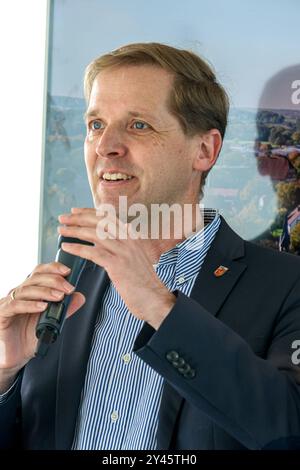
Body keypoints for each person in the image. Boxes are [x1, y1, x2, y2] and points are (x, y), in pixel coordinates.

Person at [0, 42, 300, 450]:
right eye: (96, 125)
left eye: (138, 125)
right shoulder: (63, 283)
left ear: (204, 150)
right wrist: (3, 375)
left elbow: (288, 430)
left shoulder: (286, 285)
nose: (107, 146)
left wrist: (159, 304)